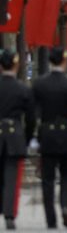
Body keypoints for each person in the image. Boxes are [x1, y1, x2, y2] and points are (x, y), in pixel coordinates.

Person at [32, 48, 67, 230]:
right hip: (66, 133)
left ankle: (51, 219)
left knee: (47, 179)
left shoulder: (39, 84)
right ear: (64, 61)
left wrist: (34, 135)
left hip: (46, 133)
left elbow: (32, 113)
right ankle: (65, 205)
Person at [0, 50, 35, 230]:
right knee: (11, 177)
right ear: (16, 65)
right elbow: (31, 119)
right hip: (15, 135)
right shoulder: (23, 89)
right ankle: (9, 214)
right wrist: (26, 139)